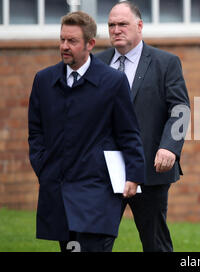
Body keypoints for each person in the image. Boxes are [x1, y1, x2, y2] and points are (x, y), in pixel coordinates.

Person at [28, 11, 146, 252]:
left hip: (97, 192)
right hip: (59, 190)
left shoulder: (113, 82)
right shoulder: (44, 80)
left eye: (72, 41)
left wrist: (134, 175)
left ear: (90, 44)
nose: (64, 46)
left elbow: (128, 132)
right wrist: (43, 165)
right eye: (62, 40)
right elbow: (35, 131)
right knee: (71, 249)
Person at [96, 1, 190, 252]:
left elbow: (180, 110)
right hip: (102, 171)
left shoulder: (165, 63)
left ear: (139, 26)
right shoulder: (95, 64)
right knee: (95, 242)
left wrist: (169, 147)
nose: (116, 30)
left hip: (150, 168)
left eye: (122, 24)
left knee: (155, 243)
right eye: (111, 25)